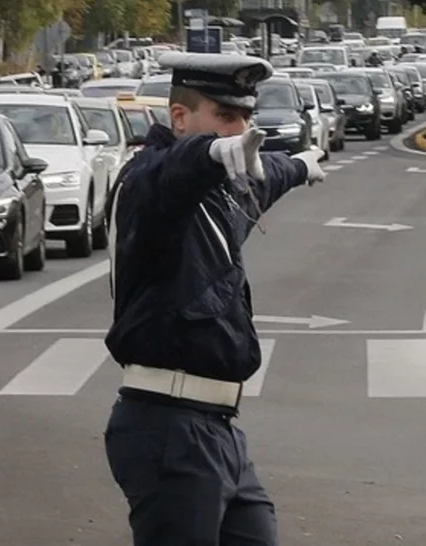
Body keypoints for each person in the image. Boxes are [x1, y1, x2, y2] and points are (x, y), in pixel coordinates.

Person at [102, 51, 326, 546]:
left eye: (246, 117)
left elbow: (261, 178)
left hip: (217, 428)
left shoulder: (221, 194)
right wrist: (206, 154)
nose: (240, 130)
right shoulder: (149, 185)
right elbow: (174, 173)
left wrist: (296, 165)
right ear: (179, 117)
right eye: (225, 117)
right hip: (167, 426)